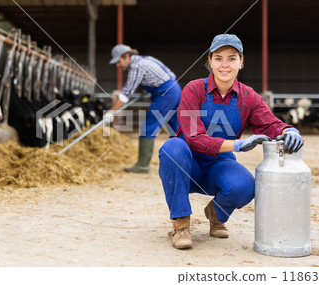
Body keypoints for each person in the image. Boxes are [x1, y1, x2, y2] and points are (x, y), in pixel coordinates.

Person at [158, 34, 304, 249]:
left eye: (232, 58)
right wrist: (237, 145)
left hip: (219, 162)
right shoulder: (193, 89)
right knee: (172, 147)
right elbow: (193, 137)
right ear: (209, 61)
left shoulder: (249, 97)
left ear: (241, 62)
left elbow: (269, 124)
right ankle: (181, 225)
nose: (224, 65)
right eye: (218, 58)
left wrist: (289, 130)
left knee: (245, 186)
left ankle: (216, 214)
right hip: (186, 164)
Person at [105, 44, 182, 173]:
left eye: (118, 61)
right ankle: (182, 162)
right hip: (175, 89)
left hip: (165, 93)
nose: (118, 65)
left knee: (149, 126)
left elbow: (126, 94)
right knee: (176, 127)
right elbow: (170, 74)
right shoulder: (146, 59)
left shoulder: (136, 66)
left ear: (127, 57)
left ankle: (142, 165)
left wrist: (111, 112)